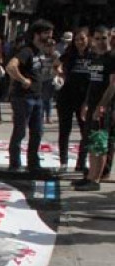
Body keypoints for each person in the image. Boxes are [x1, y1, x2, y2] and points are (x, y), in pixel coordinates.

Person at [7, 20, 56, 172]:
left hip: (37, 97)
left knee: (37, 131)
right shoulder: (26, 50)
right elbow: (11, 66)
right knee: (20, 130)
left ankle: (33, 162)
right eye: (46, 33)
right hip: (23, 97)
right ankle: (15, 163)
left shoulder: (40, 52)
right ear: (37, 34)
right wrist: (22, 80)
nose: (49, 36)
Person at [73, 26, 114, 191]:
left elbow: (113, 85)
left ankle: (96, 179)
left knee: (99, 142)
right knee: (91, 141)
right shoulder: (95, 57)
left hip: (105, 107)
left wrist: (102, 105)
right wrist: (86, 103)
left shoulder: (112, 57)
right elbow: (92, 83)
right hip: (92, 104)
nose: (101, 42)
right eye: (97, 38)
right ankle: (90, 175)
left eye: (104, 38)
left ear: (109, 37)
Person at [57, 29, 93, 172]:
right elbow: (57, 63)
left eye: (82, 39)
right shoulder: (70, 53)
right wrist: (60, 72)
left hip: (84, 97)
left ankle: (81, 162)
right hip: (67, 95)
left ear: (88, 39)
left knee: (85, 131)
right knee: (65, 130)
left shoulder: (93, 55)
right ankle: (63, 162)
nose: (79, 42)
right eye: (77, 40)